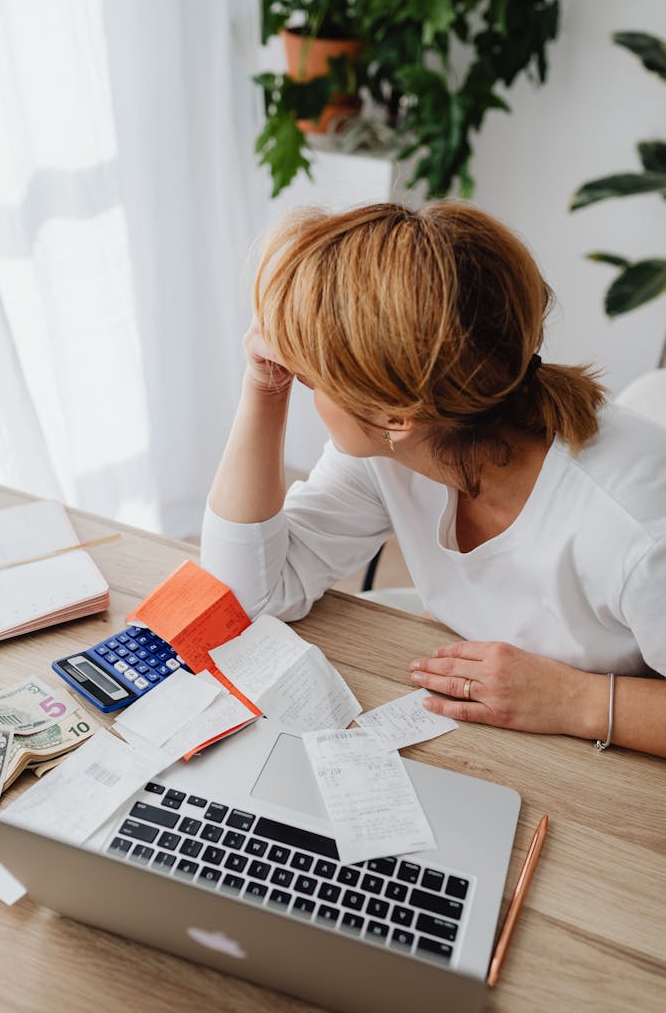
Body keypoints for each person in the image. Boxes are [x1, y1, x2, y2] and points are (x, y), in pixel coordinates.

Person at [201, 202, 666, 758]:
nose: (299, 386)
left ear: (397, 416)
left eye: (309, 378)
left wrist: (576, 699)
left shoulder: (636, 530)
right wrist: (262, 385)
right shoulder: (392, 453)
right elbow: (246, 597)